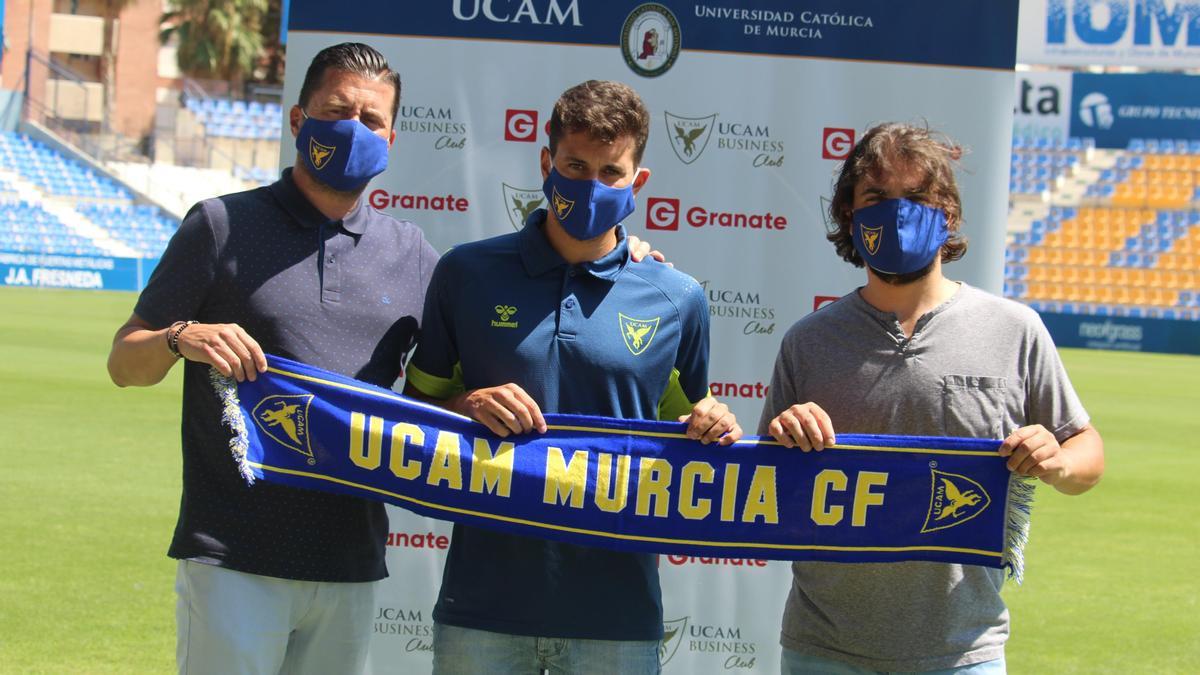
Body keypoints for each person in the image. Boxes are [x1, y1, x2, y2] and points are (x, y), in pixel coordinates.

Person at [106, 43, 438, 674]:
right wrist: (181, 336)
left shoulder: (412, 252)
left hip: (350, 561)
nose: (353, 129)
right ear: (297, 120)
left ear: (391, 138)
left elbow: (444, 389)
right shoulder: (220, 225)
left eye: (371, 121)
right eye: (337, 110)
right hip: (234, 557)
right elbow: (126, 362)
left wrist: (624, 258)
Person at [404, 80, 742, 674]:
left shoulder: (677, 297)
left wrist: (713, 422)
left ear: (638, 183)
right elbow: (414, 412)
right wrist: (470, 401)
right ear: (545, 163)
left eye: (611, 172)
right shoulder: (466, 273)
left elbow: (688, 427)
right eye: (574, 165)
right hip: (480, 607)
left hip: (617, 614)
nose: (591, 185)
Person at [759, 122, 1105, 674]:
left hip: (962, 650)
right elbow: (765, 491)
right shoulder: (809, 339)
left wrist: (1058, 459)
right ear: (850, 215)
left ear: (949, 214)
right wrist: (782, 436)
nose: (897, 212)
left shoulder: (1014, 328)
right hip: (823, 648)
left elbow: (1087, 451)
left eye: (916, 197)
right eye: (877, 197)